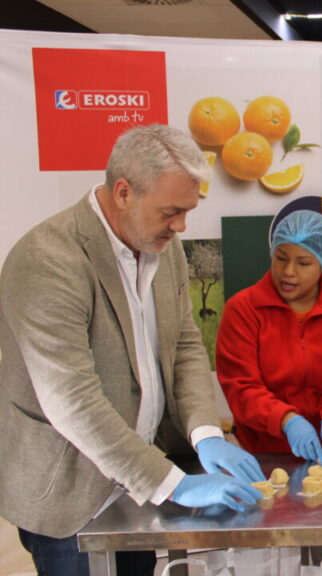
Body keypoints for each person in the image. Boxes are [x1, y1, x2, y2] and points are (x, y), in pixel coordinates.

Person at [0, 125, 265, 576]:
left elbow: (184, 344)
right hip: (70, 492)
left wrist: (206, 433)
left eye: (188, 211)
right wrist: (172, 484)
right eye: (170, 211)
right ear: (123, 192)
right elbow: (72, 401)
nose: (181, 226)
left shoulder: (163, 247)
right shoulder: (47, 260)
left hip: (137, 482)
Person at [217, 210, 322, 462]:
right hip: (261, 450)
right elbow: (240, 386)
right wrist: (287, 420)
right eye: (280, 258)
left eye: (303, 263)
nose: (288, 271)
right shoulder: (243, 309)